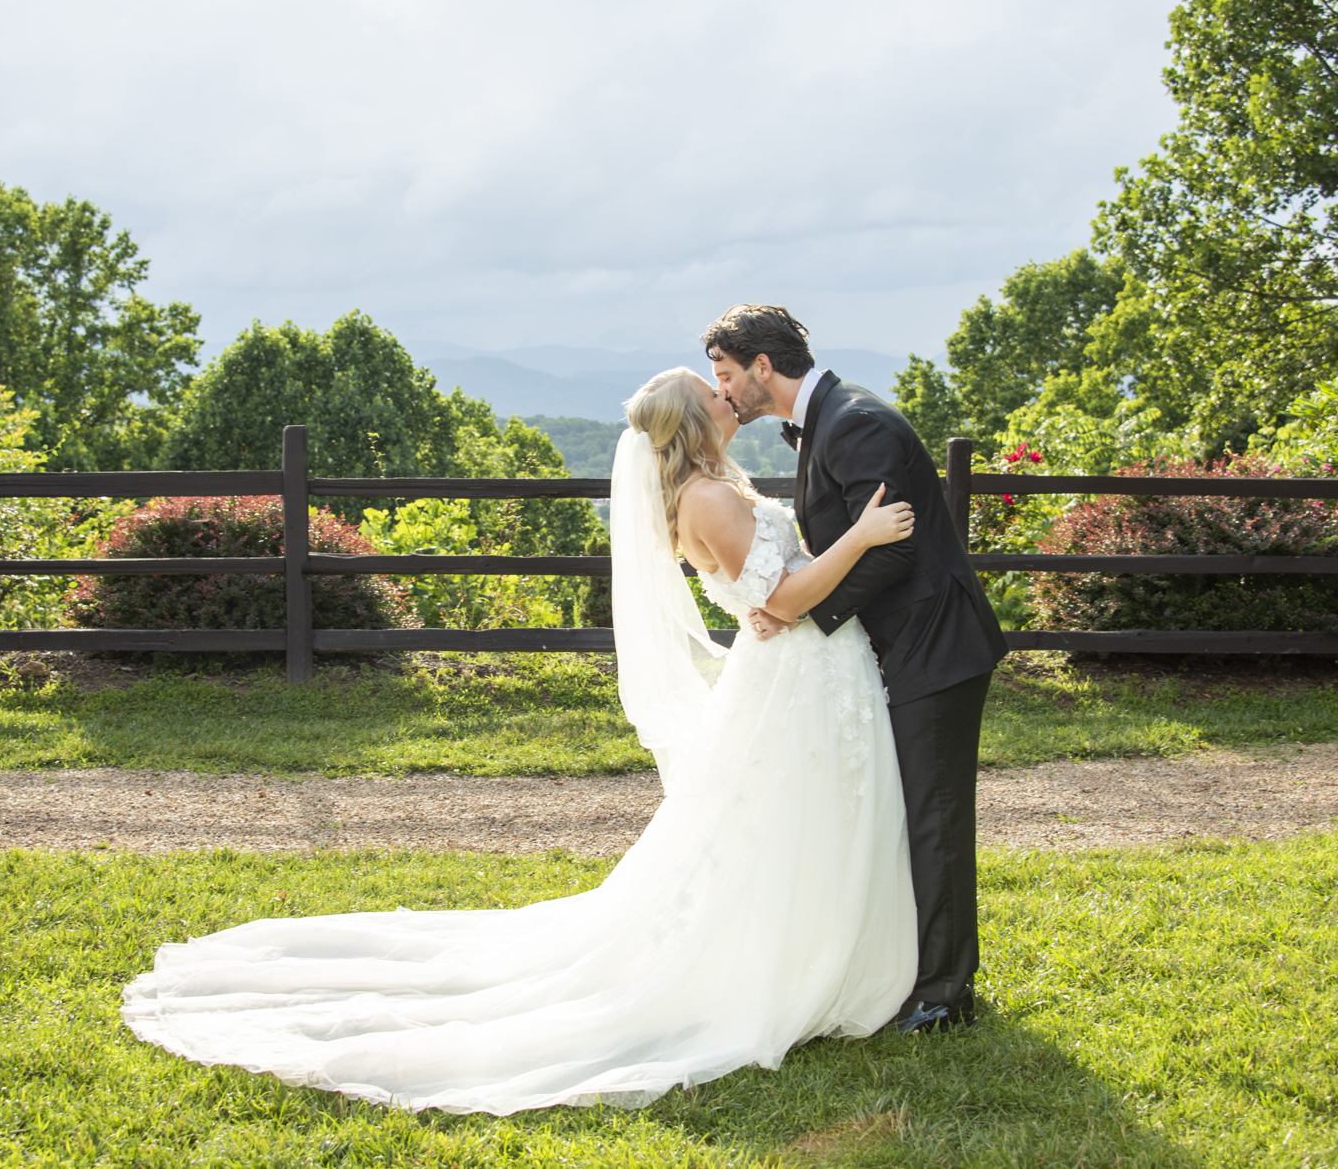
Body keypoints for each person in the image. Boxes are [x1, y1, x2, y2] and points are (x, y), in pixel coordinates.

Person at [122, 366, 924, 1115]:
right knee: (779, 825)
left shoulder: (716, 486)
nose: (728, 396)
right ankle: (790, 968)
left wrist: (791, 585)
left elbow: (771, 591)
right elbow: (784, 601)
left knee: (790, 825)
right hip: (793, 679)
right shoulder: (708, 498)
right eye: (712, 391)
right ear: (692, 420)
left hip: (805, 675)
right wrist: (860, 536)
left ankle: (815, 953)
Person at [704, 303, 1008, 1032]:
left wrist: (801, 612)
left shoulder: (854, 423)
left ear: (763, 366)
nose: (724, 391)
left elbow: (895, 549)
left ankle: (945, 995)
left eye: (727, 374)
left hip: (935, 644)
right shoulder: (828, 420)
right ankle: (914, 971)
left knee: (935, 817)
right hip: (903, 644)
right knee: (911, 812)